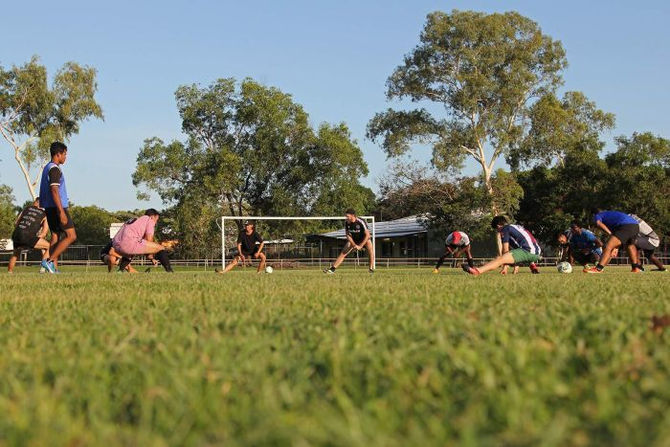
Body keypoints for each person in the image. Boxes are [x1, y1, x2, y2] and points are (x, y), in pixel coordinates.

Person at [39, 142, 76, 273]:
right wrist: (61, 211)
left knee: (55, 236)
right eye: (65, 154)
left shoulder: (47, 167)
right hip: (56, 207)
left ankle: (53, 267)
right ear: (58, 154)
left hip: (49, 208)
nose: (66, 157)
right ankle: (48, 262)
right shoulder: (54, 169)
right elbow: (54, 190)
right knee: (71, 236)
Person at [462, 216, 541, 276]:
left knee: (500, 259)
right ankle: (532, 265)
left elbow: (505, 250)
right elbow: (518, 250)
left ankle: (477, 271)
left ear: (499, 226)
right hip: (537, 252)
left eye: (497, 229)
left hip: (528, 251)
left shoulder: (505, 229)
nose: (498, 232)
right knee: (512, 255)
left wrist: (504, 267)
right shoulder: (515, 227)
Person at [585, 209, 641, 273]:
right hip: (635, 225)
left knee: (608, 246)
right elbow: (617, 236)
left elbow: (598, 223)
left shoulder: (597, 215)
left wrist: (609, 233)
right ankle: (635, 268)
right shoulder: (610, 215)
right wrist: (616, 247)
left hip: (625, 226)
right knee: (630, 246)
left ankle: (598, 269)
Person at [324, 208, 375, 274]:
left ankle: (370, 269)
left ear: (353, 215)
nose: (346, 218)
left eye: (347, 216)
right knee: (343, 253)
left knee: (371, 252)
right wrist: (354, 245)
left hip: (364, 239)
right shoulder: (346, 222)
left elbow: (368, 235)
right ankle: (332, 269)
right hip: (353, 239)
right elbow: (348, 235)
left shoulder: (361, 221)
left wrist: (360, 246)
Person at [7, 197, 50, 273]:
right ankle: (43, 269)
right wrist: (35, 239)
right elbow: (44, 233)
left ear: (35, 202)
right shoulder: (44, 214)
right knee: (48, 246)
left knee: (16, 253)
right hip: (28, 235)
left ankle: (9, 272)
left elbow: (16, 222)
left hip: (16, 234)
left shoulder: (26, 209)